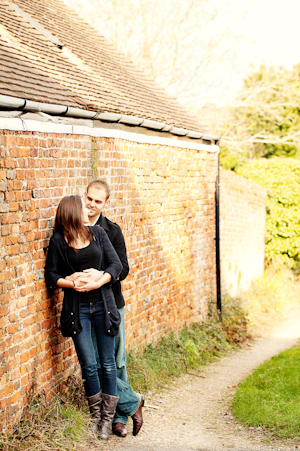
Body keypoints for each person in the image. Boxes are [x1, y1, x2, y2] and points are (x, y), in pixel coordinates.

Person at [45, 195, 122, 440]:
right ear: (72, 213)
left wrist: (99, 279)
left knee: (108, 364)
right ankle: (96, 417)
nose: (86, 208)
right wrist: (71, 281)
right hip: (77, 311)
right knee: (89, 366)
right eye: (82, 205)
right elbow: (50, 275)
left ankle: (106, 422)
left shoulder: (98, 233)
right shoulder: (59, 240)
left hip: (103, 306)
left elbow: (116, 266)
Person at [82, 179, 144, 437]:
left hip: (110, 306)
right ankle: (132, 402)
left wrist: (102, 274)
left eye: (98, 201)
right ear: (83, 196)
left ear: (106, 203)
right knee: (94, 363)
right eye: (89, 198)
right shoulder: (73, 227)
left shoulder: (112, 230)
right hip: (84, 307)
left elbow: (124, 268)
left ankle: (118, 419)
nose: (92, 204)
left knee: (116, 363)